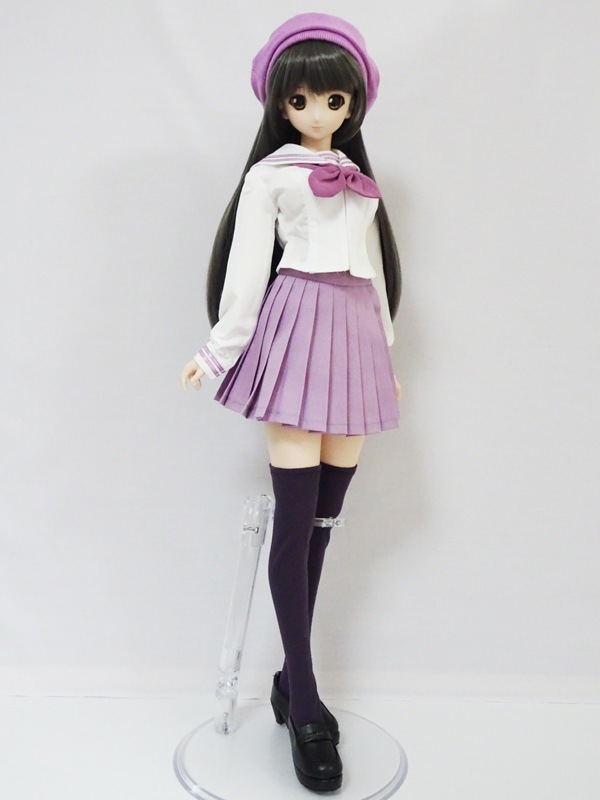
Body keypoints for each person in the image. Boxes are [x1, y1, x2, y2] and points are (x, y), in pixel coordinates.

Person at [180, 13, 401, 792]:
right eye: (301, 99)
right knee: (293, 518)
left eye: (334, 100)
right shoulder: (269, 177)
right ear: (279, 102)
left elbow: (376, 274)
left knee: (324, 523)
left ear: (353, 104)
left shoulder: (357, 179)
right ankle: (304, 697)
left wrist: (387, 357)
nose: (318, 113)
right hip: (298, 325)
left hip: (356, 338)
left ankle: (288, 678)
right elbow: (247, 275)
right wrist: (216, 353)